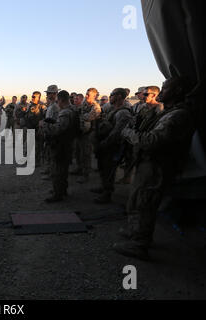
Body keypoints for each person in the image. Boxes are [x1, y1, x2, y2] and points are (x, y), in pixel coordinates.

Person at [115, 77, 195, 260]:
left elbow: (151, 141)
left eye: (165, 89)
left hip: (157, 166)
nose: (162, 92)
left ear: (177, 91)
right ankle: (135, 232)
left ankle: (139, 244)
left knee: (145, 203)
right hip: (148, 165)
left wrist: (128, 133)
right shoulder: (167, 112)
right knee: (137, 200)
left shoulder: (177, 115)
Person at [92, 88, 133, 204]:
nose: (110, 97)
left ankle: (107, 193)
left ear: (119, 96)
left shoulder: (123, 113)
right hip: (105, 144)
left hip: (112, 147)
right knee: (103, 168)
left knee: (109, 170)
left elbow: (117, 133)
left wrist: (103, 144)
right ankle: (103, 186)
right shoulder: (113, 110)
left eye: (112, 94)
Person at [44, 91, 79, 202]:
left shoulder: (65, 112)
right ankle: (62, 189)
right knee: (63, 169)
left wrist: (45, 125)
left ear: (61, 100)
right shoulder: (73, 110)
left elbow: (58, 130)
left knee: (57, 170)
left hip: (61, 145)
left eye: (58, 100)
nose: (57, 103)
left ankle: (57, 194)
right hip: (68, 143)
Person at [76, 88, 102, 184]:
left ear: (94, 96)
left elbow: (88, 117)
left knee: (86, 155)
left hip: (90, 134)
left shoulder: (96, 107)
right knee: (79, 152)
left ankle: (86, 174)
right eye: (86, 94)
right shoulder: (85, 104)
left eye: (88, 95)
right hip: (81, 132)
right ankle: (80, 169)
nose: (86, 96)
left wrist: (80, 116)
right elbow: (78, 111)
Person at [42, 85, 61, 178]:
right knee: (48, 152)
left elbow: (56, 121)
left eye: (49, 93)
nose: (48, 95)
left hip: (53, 133)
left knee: (53, 155)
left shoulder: (56, 106)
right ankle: (49, 169)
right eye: (48, 93)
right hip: (48, 132)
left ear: (55, 94)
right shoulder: (51, 104)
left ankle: (52, 174)